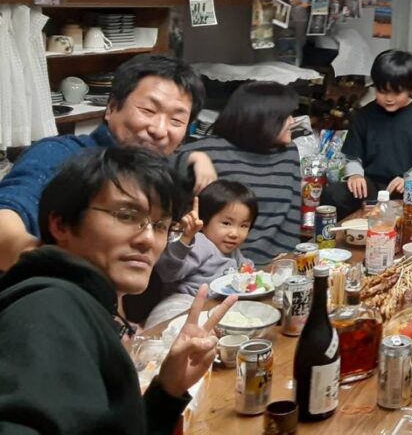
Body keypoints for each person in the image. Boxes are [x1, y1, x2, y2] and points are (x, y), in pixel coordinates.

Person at [0, 146, 236, 433]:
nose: (148, 239)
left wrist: (167, 390)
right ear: (61, 224)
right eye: (126, 216)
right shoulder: (48, 311)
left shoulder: (86, 305)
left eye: (161, 226)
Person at [0, 53, 214, 271]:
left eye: (176, 120)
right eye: (148, 110)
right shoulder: (61, 154)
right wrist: (60, 276)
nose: (159, 130)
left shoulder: (156, 173)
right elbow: (8, 215)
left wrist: (197, 157)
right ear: (111, 107)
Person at [181, 82, 301, 264]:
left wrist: (289, 259)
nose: (292, 122)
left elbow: (291, 218)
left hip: (275, 267)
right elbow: (151, 167)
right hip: (212, 268)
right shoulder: (208, 151)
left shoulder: (289, 152)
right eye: (285, 117)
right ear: (262, 117)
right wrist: (193, 157)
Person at [323, 50, 412, 217]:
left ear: (410, 88)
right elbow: (352, 156)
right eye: (382, 91)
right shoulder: (364, 115)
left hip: (407, 186)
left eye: (396, 92)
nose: (389, 98)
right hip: (371, 186)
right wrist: (355, 175)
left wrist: (411, 179)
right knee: (333, 193)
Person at [146, 180, 257, 328]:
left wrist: (255, 274)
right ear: (203, 220)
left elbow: (246, 268)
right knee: (168, 330)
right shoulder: (199, 242)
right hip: (182, 303)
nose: (235, 233)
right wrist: (185, 239)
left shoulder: (233, 251)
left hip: (213, 305)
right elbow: (168, 272)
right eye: (226, 223)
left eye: (244, 225)